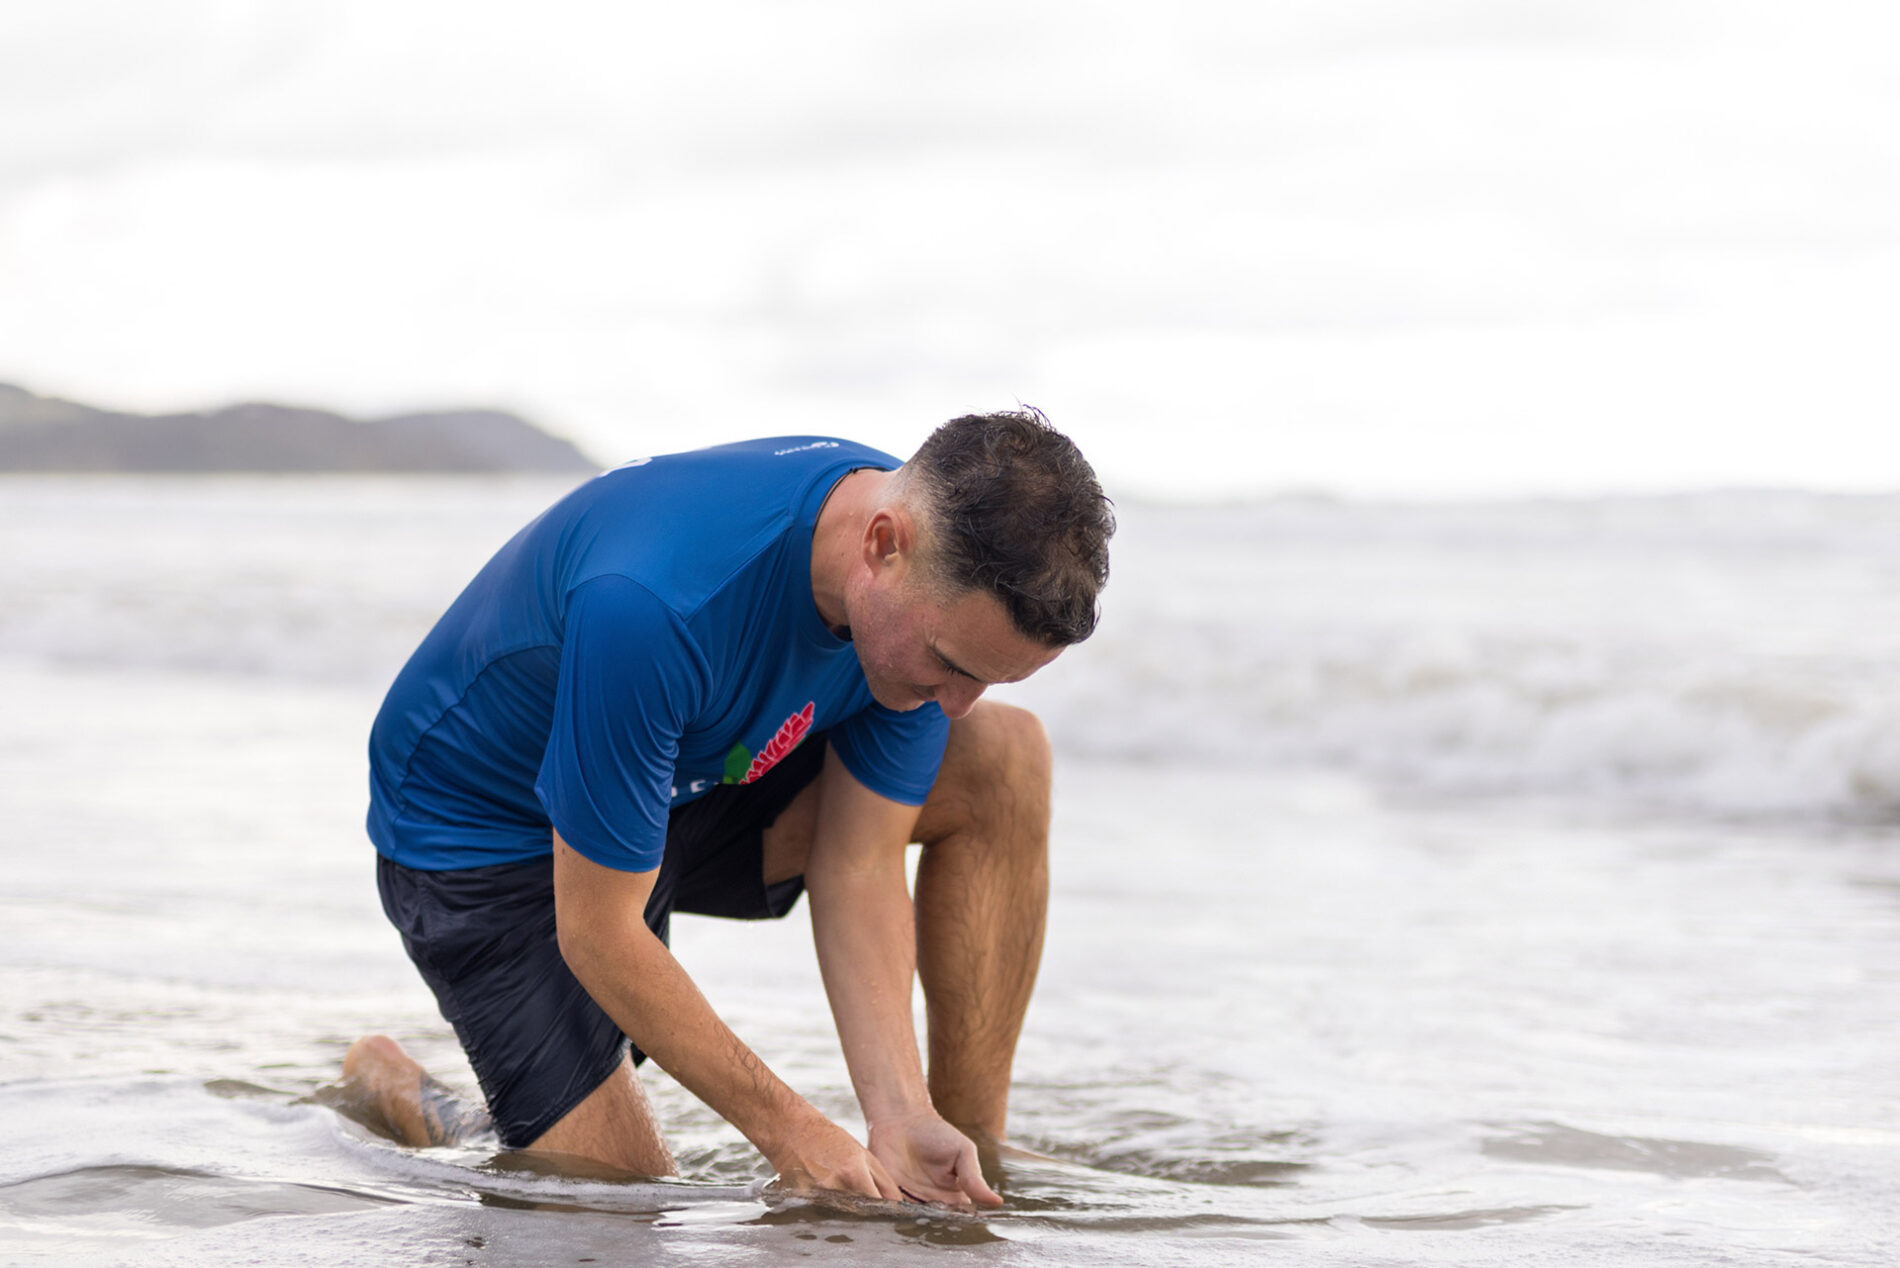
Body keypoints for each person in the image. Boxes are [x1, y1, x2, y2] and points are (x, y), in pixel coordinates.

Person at [335, 409, 1113, 1208]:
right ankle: (400, 1089)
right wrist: (790, 1128)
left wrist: (901, 1113)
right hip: (487, 830)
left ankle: (968, 1150)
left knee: (1001, 757)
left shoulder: (928, 566)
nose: (955, 703)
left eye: (988, 675)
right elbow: (599, 932)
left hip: (693, 777)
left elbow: (860, 863)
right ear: (883, 545)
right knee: (610, 1202)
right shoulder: (652, 600)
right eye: (950, 664)